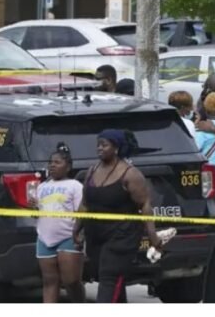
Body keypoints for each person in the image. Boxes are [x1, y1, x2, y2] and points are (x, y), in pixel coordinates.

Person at [74, 129, 164, 303]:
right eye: (98, 145)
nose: (99, 148)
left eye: (104, 145)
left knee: (109, 277)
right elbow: (85, 202)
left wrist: (152, 236)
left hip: (122, 235)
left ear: (116, 148)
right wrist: (77, 228)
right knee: (108, 278)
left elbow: (145, 205)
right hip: (96, 234)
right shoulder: (92, 170)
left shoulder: (130, 174)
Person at [32, 143, 85, 303]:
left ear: (68, 167)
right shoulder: (42, 187)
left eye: (57, 163)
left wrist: (80, 234)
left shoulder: (75, 186)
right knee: (49, 282)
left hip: (68, 237)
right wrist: (34, 208)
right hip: (44, 238)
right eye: (51, 163)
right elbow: (38, 215)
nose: (52, 165)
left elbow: (81, 213)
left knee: (71, 281)